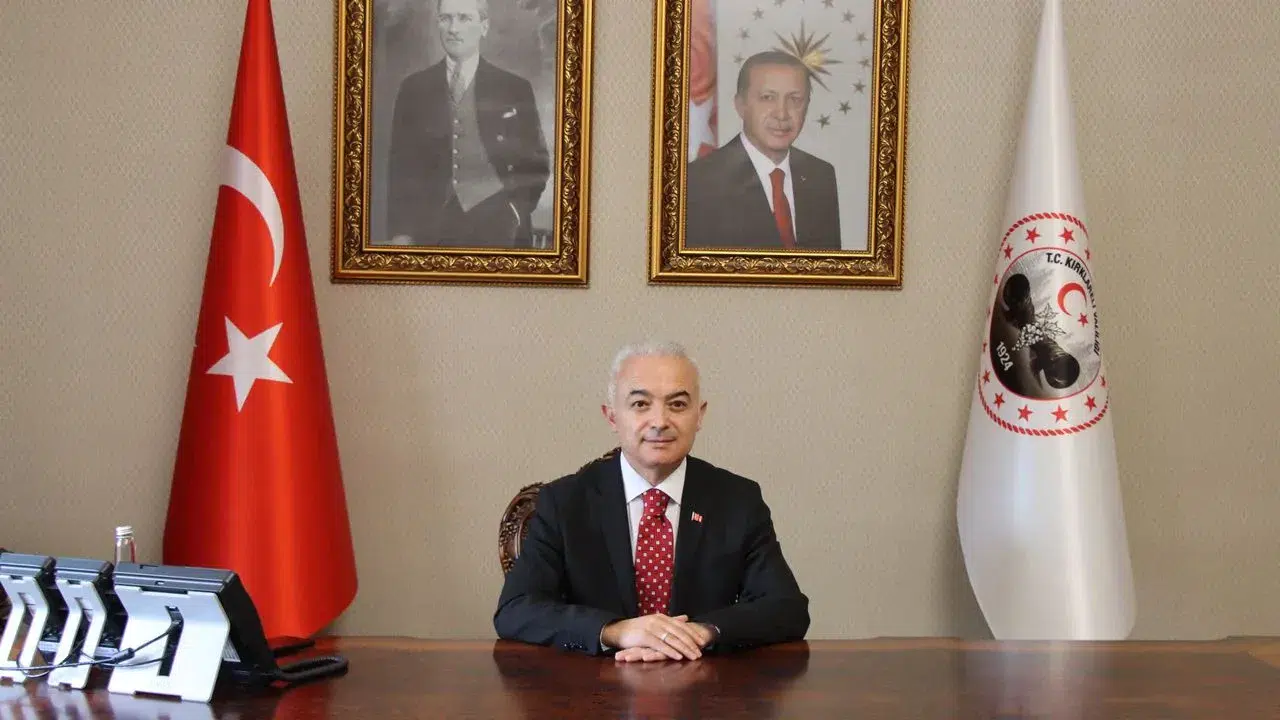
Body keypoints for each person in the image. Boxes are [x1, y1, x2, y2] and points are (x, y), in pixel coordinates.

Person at [494, 341, 809, 661]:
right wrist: (615, 631)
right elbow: (516, 609)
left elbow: (786, 608)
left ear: (699, 415)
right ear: (612, 417)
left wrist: (702, 632)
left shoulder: (737, 500)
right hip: (594, 683)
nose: (659, 421)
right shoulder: (564, 503)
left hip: (705, 680)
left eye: (677, 404)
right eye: (641, 404)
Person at [386, 0, 551, 248]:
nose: (453, 28)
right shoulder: (413, 89)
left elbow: (536, 163)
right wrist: (401, 232)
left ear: (484, 27)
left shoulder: (514, 88)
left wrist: (516, 211)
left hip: (501, 231)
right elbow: (400, 169)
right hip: (430, 232)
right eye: (446, 18)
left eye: (464, 18)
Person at [684, 51, 840, 250]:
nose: (782, 114)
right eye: (767, 98)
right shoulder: (698, 182)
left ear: (807, 106)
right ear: (740, 105)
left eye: (795, 99)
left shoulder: (821, 175)